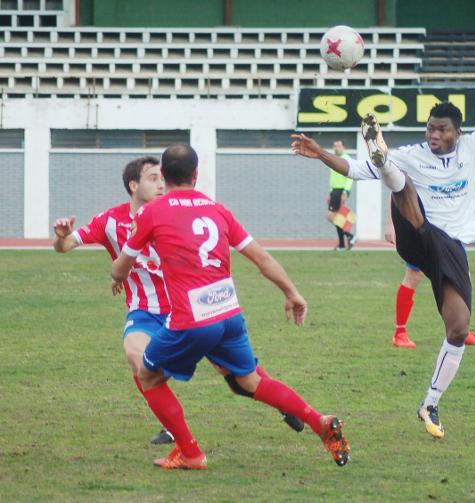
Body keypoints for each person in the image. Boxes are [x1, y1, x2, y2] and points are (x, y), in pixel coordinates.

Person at [291, 40, 475, 438]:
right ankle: (384, 161)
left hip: (451, 251)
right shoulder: (414, 153)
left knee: (458, 327)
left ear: (458, 132)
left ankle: (430, 404)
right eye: (431, 127)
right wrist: (320, 154)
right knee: (398, 182)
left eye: (442, 129)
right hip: (417, 233)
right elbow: (352, 169)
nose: (434, 134)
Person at [111, 144, 350, 469]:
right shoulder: (218, 210)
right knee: (249, 381)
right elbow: (261, 258)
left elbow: (120, 267)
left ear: (164, 178)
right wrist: (292, 292)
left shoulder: (152, 212)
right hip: (228, 314)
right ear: (196, 175)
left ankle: (191, 453)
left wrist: (119, 273)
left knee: (148, 376)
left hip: (191, 320)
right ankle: (317, 420)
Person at [53, 157, 303, 447]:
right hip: (146, 312)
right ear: (133, 185)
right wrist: (61, 238)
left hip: (188, 310)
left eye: (162, 178)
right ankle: (175, 431)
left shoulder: (174, 215)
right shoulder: (110, 221)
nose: (161, 183)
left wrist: (119, 274)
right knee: (137, 359)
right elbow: (67, 246)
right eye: (152, 178)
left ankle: (284, 403)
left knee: (239, 379)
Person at [384, 209, 475, 349]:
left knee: (463, 277)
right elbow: (396, 192)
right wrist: (391, 224)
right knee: (413, 276)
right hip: (424, 231)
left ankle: (463, 330)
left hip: (450, 232)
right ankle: (400, 333)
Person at [328, 139, 356, 250]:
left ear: (343, 147)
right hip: (334, 191)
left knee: (331, 216)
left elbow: (350, 177)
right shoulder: (333, 159)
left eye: (339, 146)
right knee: (338, 217)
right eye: (335, 146)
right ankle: (342, 244)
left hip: (341, 191)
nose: (336, 148)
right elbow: (333, 177)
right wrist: (331, 192)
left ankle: (350, 236)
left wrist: (346, 191)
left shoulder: (346, 160)